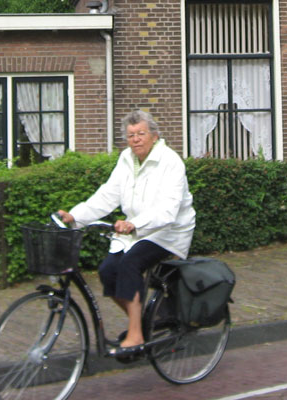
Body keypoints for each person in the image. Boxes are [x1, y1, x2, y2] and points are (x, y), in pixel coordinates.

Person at [58, 110, 196, 355]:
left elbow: (168, 210)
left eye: (141, 133)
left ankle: (135, 334)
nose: (136, 139)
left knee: (130, 264)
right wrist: (75, 216)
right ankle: (142, 323)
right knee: (107, 271)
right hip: (136, 230)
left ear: (154, 136)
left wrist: (135, 224)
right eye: (131, 135)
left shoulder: (170, 162)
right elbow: (108, 194)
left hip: (169, 231)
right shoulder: (126, 159)